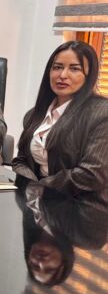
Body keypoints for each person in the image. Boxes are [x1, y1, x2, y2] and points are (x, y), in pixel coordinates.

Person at [12, 41, 108, 196]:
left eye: (74, 69)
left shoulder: (101, 113)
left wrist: (41, 186)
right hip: (37, 200)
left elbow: (92, 175)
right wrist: (31, 186)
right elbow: (21, 161)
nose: (62, 75)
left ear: (89, 76)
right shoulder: (34, 114)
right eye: (57, 67)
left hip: (80, 204)